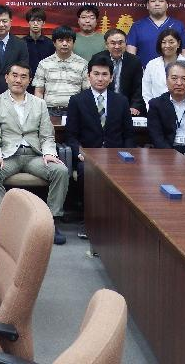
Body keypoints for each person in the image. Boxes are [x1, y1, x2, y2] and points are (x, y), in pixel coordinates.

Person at [0, 62, 70, 245]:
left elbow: (47, 135)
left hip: (34, 155)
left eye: (23, 76)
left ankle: (51, 222)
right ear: (7, 77)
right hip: (9, 156)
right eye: (15, 75)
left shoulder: (39, 103)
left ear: (29, 80)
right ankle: (3, 223)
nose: (18, 80)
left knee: (61, 171)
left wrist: (49, 153)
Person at [64, 55, 135, 239]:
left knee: (128, 172)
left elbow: (128, 135)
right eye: (96, 74)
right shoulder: (77, 100)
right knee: (85, 171)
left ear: (111, 77)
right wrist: (79, 152)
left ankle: (116, 220)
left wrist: (127, 154)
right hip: (88, 156)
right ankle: (88, 220)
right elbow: (71, 135)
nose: (100, 78)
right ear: (89, 76)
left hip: (116, 156)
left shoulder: (121, 101)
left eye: (105, 74)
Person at [32, 25, 89, 115]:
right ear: (54, 43)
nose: (65, 44)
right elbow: (39, 92)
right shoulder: (44, 64)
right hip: (49, 111)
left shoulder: (83, 64)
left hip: (74, 111)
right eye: (61, 40)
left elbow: (87, 91)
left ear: (73, 43)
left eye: (68, 40)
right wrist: (40, 112)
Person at [126, 0, 185, 66]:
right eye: (153, 1)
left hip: (172, 71)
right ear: (147, 5)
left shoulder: (178, 25)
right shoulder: (137, 26)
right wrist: (138, 70)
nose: (157, 4)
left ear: (167, 5)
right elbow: (131, 53)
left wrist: (176, 68)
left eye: (161, 1)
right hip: (144, 72)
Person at [91, 28, 145, 116]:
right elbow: (94, 85)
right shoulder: (98, 59)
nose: (117, 46)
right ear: (106, 45)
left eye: (120, 43)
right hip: (102, 105)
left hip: (128, 107)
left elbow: (139, 87)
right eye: (113, 43)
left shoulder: (134, 61)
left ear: (126, 43)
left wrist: (135, 106)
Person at [141, 28, 185, 107]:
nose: (167, 45)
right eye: (163, 42)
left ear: (178, 44)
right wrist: (152, 109)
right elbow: (146, 91)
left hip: (184, 108)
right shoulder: (151, 65)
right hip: (157, 109)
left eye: (171, 42)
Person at [23, 7, 54, 93]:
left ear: (43, 23)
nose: (35, 24)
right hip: (25, 84)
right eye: (32, 20)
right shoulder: (21, 43)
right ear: (28, 22)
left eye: (39, 21)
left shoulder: (50, 44)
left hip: (46, 84)